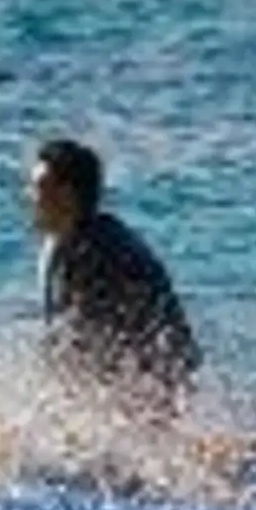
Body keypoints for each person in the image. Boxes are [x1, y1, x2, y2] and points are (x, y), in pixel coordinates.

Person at [27, 137, 201, 430]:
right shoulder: (75, 238)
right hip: (152, 382)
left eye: (38, 187)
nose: (29, 196)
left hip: (153, 385)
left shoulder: (95, 253)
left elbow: (82, 348)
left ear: (67, 195)